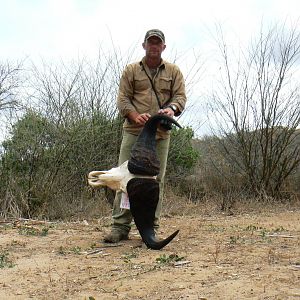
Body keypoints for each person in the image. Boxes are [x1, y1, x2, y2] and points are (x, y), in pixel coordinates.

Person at [104, 29, 187, 243]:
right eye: (150, 42)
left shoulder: (174, 71)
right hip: (134, 132)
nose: (154, 46)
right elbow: (123, 99)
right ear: (144, 45)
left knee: (154, 182)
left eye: (158, 43)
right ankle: (119, 227)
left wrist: (171, 109)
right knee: (125, 178)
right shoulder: (131, 70)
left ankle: (151, 228)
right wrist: (134, 115)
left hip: (159, 134)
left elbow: (180, 97)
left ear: (163, 47)